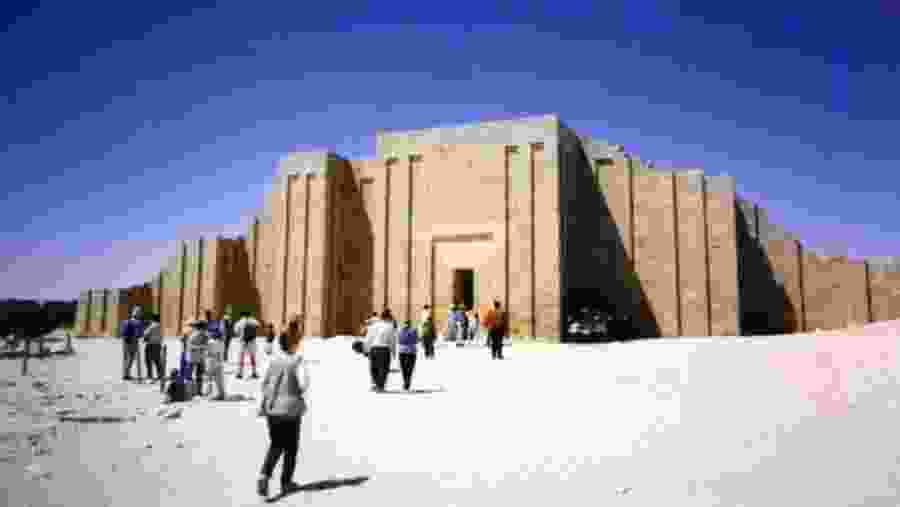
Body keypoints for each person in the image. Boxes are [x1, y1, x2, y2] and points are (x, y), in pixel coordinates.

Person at [257, 314, 310, 499]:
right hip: (291, 410)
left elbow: (263, 383)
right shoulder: (298, 361)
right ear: (294, 344)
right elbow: (304, 384)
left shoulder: (272, 360)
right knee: (291, 447)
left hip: (272, 409)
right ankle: (286, 482)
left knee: (276, 444)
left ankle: (264, 474)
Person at [365, 309, 398, 392]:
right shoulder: (390, 327)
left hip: (374, 348)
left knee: (374, 368)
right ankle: (381, 386)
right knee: (383, 369)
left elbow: (369, 338)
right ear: (388, 318)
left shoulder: (374, 325)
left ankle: (375, 384)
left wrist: (366, 349)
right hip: (384, 349)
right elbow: (392, 341)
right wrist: (393, 352)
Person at [119, 306, 145, 381]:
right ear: (138, 314)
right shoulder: (138, 322)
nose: (141, 314)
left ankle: (125, 374)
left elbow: (122, 332)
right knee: (130, 358)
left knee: (126, 358)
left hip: (125, 341)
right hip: (133, 342)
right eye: (140, 312)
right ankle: (126, 374)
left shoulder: (126, 321)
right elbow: (139, 334)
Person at [235, 311, 261, 379]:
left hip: (242, 342)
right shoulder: (253, 321)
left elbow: (236, 331)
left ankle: (240, 373)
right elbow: (259, 326)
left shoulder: (239, 322)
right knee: (252, 358)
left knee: (241, 358)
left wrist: (241, 334)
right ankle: (254, 372)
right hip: (252, 342)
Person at [187, 319, 210, 394]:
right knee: (191, 375)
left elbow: (207, 345)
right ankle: (191, 390)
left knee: (199, 375)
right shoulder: (194, 335)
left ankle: (198, 391)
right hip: (193, 357)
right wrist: (201, 347)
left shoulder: (204, 335)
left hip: (199, 357)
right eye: (204, 328)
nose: (205, 329)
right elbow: (190, 346)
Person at [142, 313, 164, 382]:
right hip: (158, 345)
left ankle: (149, 375)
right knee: (157, 360)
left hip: (151, 345)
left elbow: (145, 334)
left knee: (148, 361)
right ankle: (160, 375)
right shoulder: (160, 326)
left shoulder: (152, 326)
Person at [397, 320, 418, 391]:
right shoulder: (414, 330)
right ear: (410, 324)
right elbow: (416, 340)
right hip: (412, 352)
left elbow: (399, 340)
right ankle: (407, 381)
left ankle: (405, 381)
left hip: (402, 351)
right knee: (410, 369)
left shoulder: (400, 331)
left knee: (404, 369)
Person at [207, 329, 227, 400]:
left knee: (209, 379)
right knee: (219, 379)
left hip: (212, 361)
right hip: (220, 361)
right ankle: (221, 394)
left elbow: (208, 352)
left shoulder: (211, 342)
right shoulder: (222, 342)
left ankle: (209, 394)